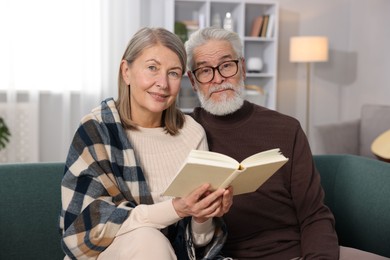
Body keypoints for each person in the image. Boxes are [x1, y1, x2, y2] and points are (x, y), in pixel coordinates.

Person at [185, 26, 389, 260]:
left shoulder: (286, 128)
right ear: (193, 80)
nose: (218, 78)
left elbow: (313, 213)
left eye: (227, 65)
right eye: (204, 71)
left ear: (242, 68)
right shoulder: (186, 133)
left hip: (297, 252)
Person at [59, 27, 233, 260]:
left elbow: (198, 243)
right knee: (146, 238)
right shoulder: (97, 129)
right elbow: (84, 228)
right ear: (126, 71)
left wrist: (203, 215)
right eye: (152, 68)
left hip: (174, 254)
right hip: (105, 253)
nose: (163, 83)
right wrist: (176, 209)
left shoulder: (192, 133)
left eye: (173, 73)